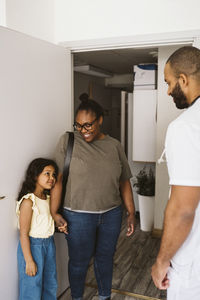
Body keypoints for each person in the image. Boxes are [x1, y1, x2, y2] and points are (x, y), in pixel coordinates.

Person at [50, 94, 135, 300]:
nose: (83, 130)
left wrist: (131, 212)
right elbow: (58, 179)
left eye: (88, 125)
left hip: (111, 214)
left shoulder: (114, 146)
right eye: (79, 125)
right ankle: (77, 297)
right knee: (79, 262)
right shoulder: (68, 141)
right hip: (77, 215)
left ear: (100, 121)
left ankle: (104, 296)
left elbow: (124, 181)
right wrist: (54, 212)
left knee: (105, 259)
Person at [151, 46, 200, 300]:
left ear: (184, 79)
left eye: (169, 83)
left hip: (193, 266)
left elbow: (183, 209)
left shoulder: (186, 127)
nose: (168, 90)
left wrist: (161, 261)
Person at [16, 158, 59, 300]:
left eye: (54, 175)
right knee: (32, 285)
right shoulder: (29, 201)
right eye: (47, 173)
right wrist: (29, 260)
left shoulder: (48, 199)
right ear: (35, 175)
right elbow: (23, 234)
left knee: (50, 283)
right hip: (33, 247)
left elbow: (46, 222)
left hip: (49, 245)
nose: (51, 178)